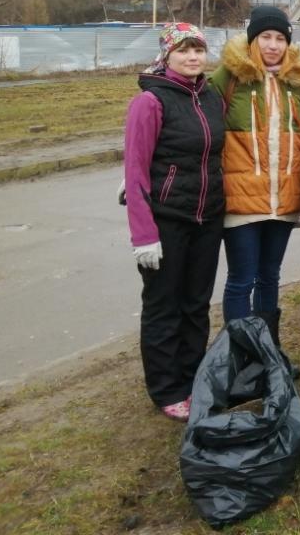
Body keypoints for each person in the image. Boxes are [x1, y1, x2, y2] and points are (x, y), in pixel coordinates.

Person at [123, 22, 225, 421]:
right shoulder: (151, 102)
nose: (192, 57)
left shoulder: (209, 96)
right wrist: (144, 234)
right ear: (167, 55)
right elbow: (135, 170)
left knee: (196, 304)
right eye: (183, 51)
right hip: (167, 221)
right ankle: (167, 388)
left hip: (207, 217)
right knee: (165, 305)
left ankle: (193, 376)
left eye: (198, 50)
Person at [208, 5, 300, 368]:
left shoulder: (297, 83)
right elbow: (202, 129)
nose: (272, 45)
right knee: (242, 279)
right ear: (253, 39)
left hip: (282, 200)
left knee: (270, 278)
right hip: (239, 201)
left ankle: (269, 355)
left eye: (280, 38)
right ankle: (239, 358)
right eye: (265, 37)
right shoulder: (228, 77)